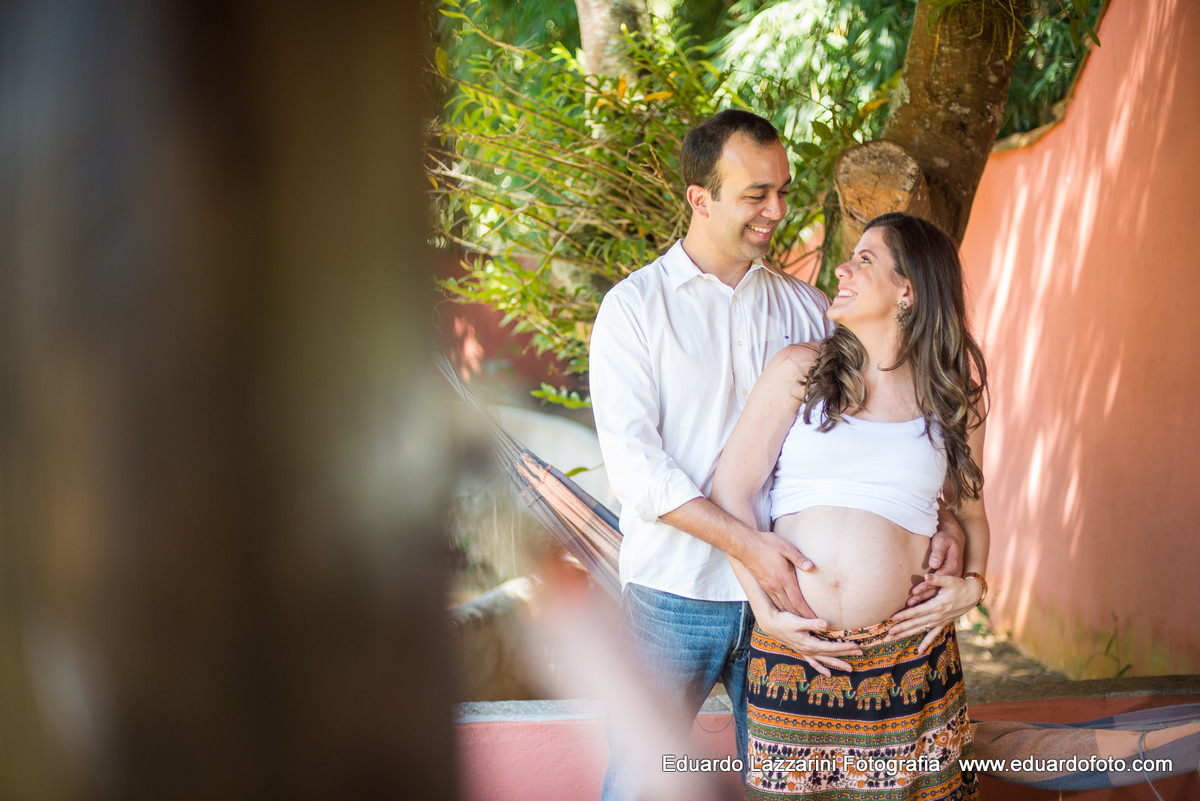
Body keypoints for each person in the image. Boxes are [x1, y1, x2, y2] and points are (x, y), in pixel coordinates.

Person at [589, 110, 965, 801]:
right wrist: (749, 547)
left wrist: (946, 529)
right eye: (756, 194)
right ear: (700, 199)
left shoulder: (808, 311)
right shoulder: (634, 309)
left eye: (784, 190)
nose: (778, 210)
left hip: (797, 611)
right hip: (677, 594)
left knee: (775, 790)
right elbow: (637, 471)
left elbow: (884, 425)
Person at [710, 212, 989, 799]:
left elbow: (968, 513)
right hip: (796, 653)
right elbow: (729, 494)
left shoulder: (951, 396)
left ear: (907, 289)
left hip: (908, 657)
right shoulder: (799, 370)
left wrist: (975, 585)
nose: (842, 267)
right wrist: (764, 610)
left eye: (865, 259)